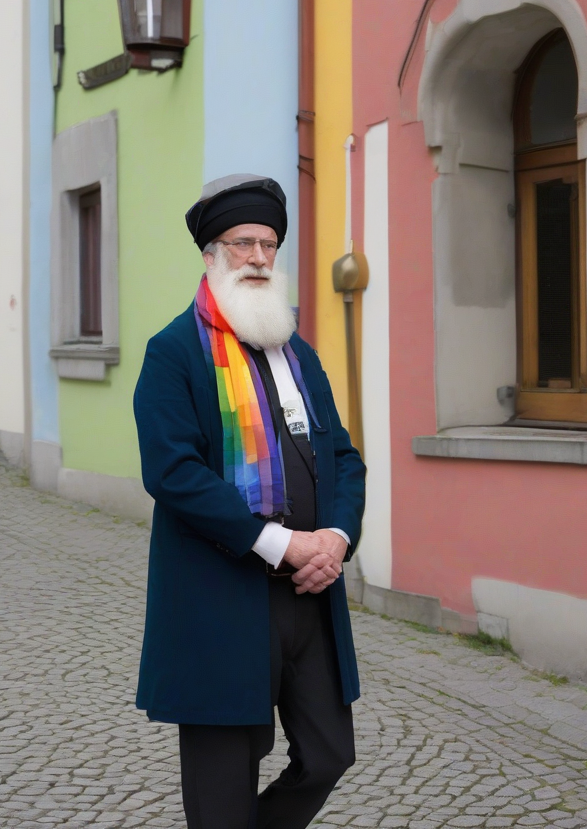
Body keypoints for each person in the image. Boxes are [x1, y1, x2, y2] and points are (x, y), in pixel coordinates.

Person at [133, 173, 367, 829]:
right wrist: (281, 543)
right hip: (219, 597)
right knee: (222, 793)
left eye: (269, 244)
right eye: (244, 243)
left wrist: (336, 540)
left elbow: (342, 459)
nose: (260, 257)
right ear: (211, 254)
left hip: (308, 597)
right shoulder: (173, 354)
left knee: (328, 755)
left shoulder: (298, 354)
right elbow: (174, 473)